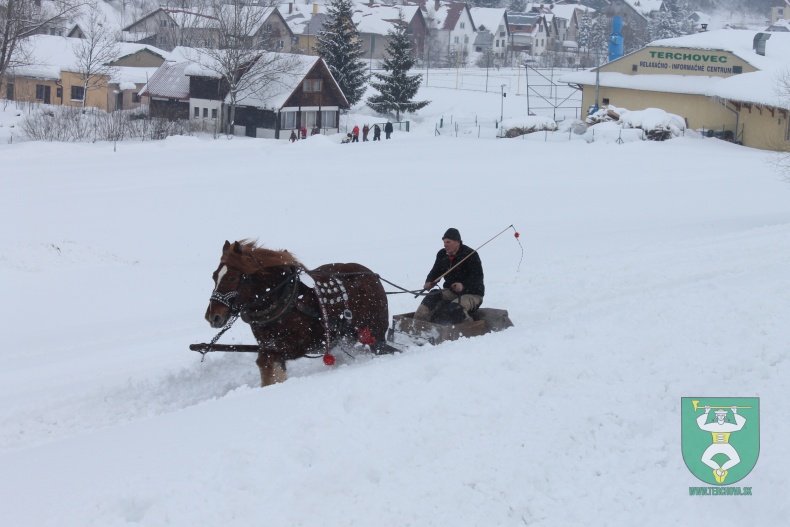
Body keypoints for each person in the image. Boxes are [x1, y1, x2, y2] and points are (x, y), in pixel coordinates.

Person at [414, 228, 484, 323]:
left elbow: (477, 279)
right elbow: (435, 271)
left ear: (457, 242)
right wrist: (429, 281)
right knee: (432, 296)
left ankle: (471, 328)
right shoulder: (442, 254)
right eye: (444, 242)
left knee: (455, 309)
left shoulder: (471, 254)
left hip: (472, 294)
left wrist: (462, 286)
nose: (445, 245)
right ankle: (419, 325)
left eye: (448, 242)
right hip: (450, 291)